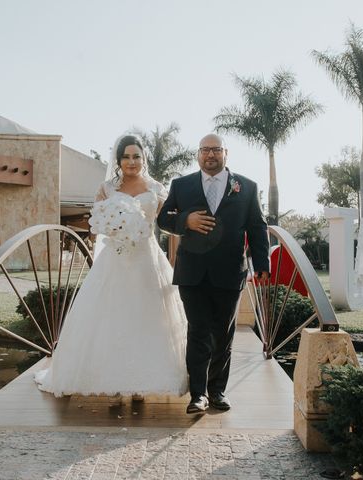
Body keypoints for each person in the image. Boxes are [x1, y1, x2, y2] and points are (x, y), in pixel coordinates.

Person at [34, 134, 188, 397]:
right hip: (115, 259)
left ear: (143, 158)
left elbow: (165, 222)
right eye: (126, 157)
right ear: (118, 160)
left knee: (147, 316)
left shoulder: (156, 188)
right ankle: (112, 382)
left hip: (147, 259)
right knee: (112, 315)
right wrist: (113, 226)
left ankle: (144, 384)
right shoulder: (107, 188)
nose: (131, 161)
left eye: (136, 156)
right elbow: (97, 222)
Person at [157, 133, 269, 414]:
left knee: (223, 333)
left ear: (225, 153)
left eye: (216, 150)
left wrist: (262, 265)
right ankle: (198, 395)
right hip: (192, 272)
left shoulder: (247, 187)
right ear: (198, 154)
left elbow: (257, 228)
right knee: (198, 331)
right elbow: (162, 219)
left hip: (230, 272)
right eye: (205, 150)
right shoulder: (181, 186)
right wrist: (186, 220)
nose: (210, 155)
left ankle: (217, 391)